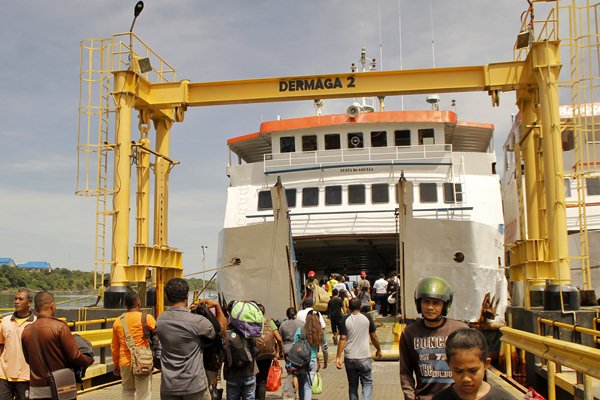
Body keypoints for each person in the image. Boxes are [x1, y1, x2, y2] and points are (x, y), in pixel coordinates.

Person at [156, 278, 226, 400]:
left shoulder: (160, 320)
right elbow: (221, 333)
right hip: (194, 386)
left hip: (169, 386)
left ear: (166, 297)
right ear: (187, 296)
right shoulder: (198, 322)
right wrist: (217, 306)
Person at [400, 276, 469, 400]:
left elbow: (473, 367)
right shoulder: (409, 333)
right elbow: (406, 373)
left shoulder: (460, 330)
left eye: (436, 303)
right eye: (426, 302)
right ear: (419, 303)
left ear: (445, 305)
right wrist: (410, 397)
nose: (430, 307)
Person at [21, 291, 94, 400]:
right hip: (61, 387)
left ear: (35, 308)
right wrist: (88, 361)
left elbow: (28, 360)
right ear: (52, 305)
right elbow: (74, 356)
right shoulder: (60, 327)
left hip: (37, 389)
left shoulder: (26, 331)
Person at [432, 329, 512, 400]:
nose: (466, 378)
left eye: (473, 371)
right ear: (448, 365)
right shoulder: (441, 398)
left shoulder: (503, 398)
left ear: (486, 364)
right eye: (458, 371)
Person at [111, 291, 156, 400]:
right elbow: (158, 332)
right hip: (142, 361)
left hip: (125, 362)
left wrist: (116, 365)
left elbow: (114, 347)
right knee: (144, 393)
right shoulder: (147, 318)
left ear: (126, 305)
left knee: (127, 391)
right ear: (139, 304)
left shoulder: (117, 322)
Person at [335, 298, 382, 400]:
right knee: (367, 383)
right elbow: (374, 336)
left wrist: (338, 357)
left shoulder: (344, 319)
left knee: (352, 385)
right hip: (364, 357)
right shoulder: (367, 317)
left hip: (350, 358)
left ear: (348, 308)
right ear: (360, 307)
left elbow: (343, 338)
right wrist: (379, 349)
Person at [0, 288, 36, 400]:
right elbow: (1, 345)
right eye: (15, 299)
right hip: (3, 376)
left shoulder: (36, 323)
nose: (16, 301)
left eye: (20, 299)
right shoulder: (5, 321)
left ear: (29, 302)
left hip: (25, 377)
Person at [293, 312, 328, 400]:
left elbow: (294, 346)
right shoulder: (320, 332)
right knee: (308, 386)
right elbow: (325, 349)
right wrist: (325, 361)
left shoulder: (299, 330)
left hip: (300, 362)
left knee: (301, 384)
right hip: (312, 362)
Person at [254, 304, 284, 400]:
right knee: (262, 381)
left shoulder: (252, 322)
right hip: (268, 355)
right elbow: (279, 339)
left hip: (255, 354)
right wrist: (280, 352)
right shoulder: (269, 321)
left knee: (254, 379)